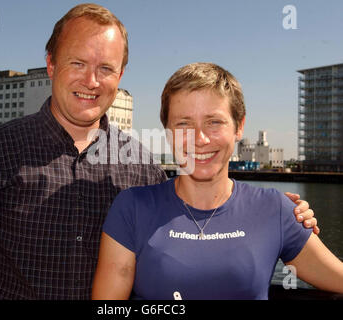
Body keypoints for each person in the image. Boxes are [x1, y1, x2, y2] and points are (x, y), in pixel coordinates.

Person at [0, 4, 316, 300]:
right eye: (77, 63)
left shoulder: (140, 166)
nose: (91, 81)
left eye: (106, 68)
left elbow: (193, 223)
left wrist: (279, 213)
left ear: (119, 77)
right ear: (51, 63)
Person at [92, 62, 343, 300]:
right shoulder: (132, 208)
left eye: (214, 122)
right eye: (183, 123)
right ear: (168, 132)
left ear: (239, 126)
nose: (200, 139)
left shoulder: (276, 210)